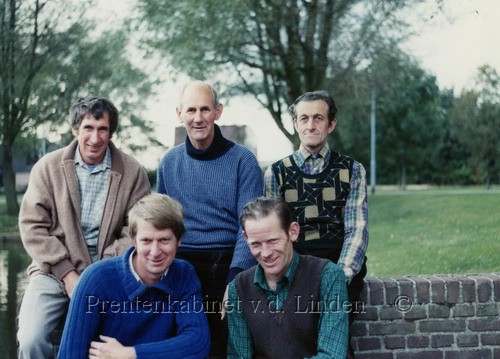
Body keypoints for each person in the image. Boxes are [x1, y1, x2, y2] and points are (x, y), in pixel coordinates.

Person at [17, 96, 151, 358]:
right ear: (75, 129)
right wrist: (67, 274)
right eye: (88, 128)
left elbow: (137, 229)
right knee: (31, 338)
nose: (95, 137)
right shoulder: (47, 167)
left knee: (114, 340)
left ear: (111, 132)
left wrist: (101, 271)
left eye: (103, 129)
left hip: (109, 271)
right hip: (52, 271)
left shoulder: (133, 172)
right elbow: (32, 226)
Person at [156, 80, 263, 357]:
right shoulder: (169, 163)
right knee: (178, 338)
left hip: (229, 260)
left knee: (228, 339)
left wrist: (235, 278)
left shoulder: (243, 161)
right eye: (191, 110)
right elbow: (163, 225)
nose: (198, 117)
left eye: (205, 109)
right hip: (183, 262)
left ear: (218, 111)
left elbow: (249, 228)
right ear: (179, 114)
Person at [264, 90, 368, 357]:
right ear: (296, 124)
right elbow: (274, 232)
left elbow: (356, 230)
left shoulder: (352, 170)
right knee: (296, 339)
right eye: (304, 118)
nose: (310, 125)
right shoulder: (277, 172)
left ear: (330, 124)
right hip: (295, 265)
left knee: (335, 338)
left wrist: (339, 277)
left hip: (338, 263)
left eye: (318, 118)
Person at [57, 193, 210, 359]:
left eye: (164, 240)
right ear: (134, 240)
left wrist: (131, 354)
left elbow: (197, 342)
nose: (155, 251)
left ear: (179, 240)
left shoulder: (183, 275)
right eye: (146, 241)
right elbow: (70, 354)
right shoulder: (96, 279)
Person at [227, 196, 349, 358]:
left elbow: (332, 356)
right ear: (245, 238)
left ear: (293, 232)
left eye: (272, 241)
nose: (266, 253)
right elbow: (239, 356)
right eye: (256, 244)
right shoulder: (239, 287)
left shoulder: (328, 276)